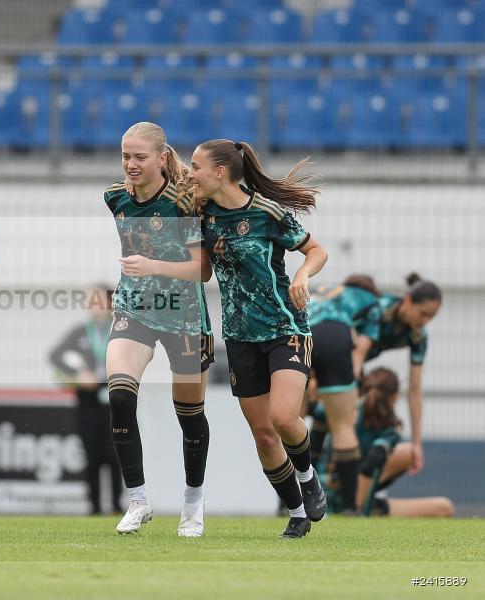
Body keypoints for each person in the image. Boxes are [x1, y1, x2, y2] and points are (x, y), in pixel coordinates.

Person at [191, 139, 328, 538]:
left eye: (196, 166)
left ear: (221, 172)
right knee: (264, 434)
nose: (190, 173)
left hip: (284, 328)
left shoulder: (267, 212)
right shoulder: (202, 215)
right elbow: (201, 270)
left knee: (284, 418)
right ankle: (297, 511)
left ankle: (307, 473)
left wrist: (302, 276)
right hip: (238, 337)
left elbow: (316, 251)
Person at [103, 122, 213, 537]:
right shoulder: (114, 198)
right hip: (136, 309)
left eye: (139, 157)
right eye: (125, 156)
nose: (131, 165)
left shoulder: (183, 203)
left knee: (189, 415)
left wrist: (152, 266)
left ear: (161, 158)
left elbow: (201, 270)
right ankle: (138, 500)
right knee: (118, 395)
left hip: (184, 314)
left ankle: (193, 503)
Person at [314, 367, 454, 518]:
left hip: (320, 492)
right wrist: (356, 511)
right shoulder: (391, 429)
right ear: (394, 398)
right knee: (445, 507)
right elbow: (369, 464)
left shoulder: (345, 410)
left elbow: (316, 411)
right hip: (347, 502)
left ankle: (358, 506)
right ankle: (356, 509)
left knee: (408, 452)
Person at [305, 274, 383, 513]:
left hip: (298, 333)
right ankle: (350, 507)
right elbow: (359, 353)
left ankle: (288, 504)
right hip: (333, 334)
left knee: (293, 424)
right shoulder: (371, 301)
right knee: (343, 426)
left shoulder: (326, 289)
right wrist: (354, 382)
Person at [49, 286, 123, 516]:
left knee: (115, 454)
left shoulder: (119, 330)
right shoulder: (80, 332)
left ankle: (118, 504)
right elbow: (56, 356)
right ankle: (94, 505)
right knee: (91, 454)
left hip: (115, 401)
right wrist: (78, 377)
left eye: (99, 299)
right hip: (88, 401)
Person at [360, 273, 441, 478]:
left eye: (431, 317)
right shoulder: (381, 309)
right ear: (407, 300)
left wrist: (416, 443)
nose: (425, 321)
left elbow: (415, 390)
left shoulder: (418, 336)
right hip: (339, 355)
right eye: (423, 314)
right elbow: (356, 353)